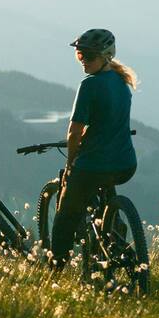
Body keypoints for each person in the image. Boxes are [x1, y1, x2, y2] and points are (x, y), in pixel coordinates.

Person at [48, 29, 138, 271]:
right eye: (80, 56)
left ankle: (54, 269)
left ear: (106, 57)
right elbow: (108, 119)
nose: (84, 62)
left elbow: (74, 132)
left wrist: (70, 164)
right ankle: (115, 234)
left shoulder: (90, 85)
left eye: (89, 57)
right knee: (105, 186)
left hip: (94, 165)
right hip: (125, 164)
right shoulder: (122, 81)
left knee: (66, 213)